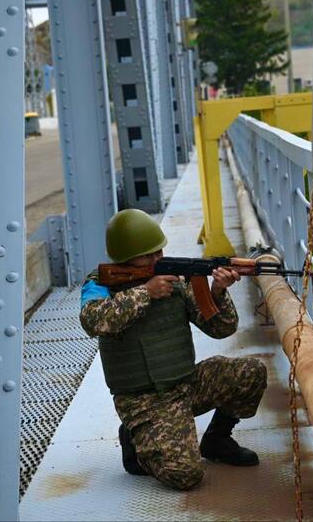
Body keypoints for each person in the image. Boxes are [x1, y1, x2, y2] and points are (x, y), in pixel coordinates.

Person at [79, 209, 267, 491]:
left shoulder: (174, 278)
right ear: (125, 258)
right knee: (186, 475)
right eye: (149, 255)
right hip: (143, 401)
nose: (158, 259)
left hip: (187, 384)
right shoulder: (101, 284)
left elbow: (221, 329)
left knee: (250, 372)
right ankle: (137, 439)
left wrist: (216, 291)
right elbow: (93, 321)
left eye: (159, 251)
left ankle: (217, 440)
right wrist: (146, 292)